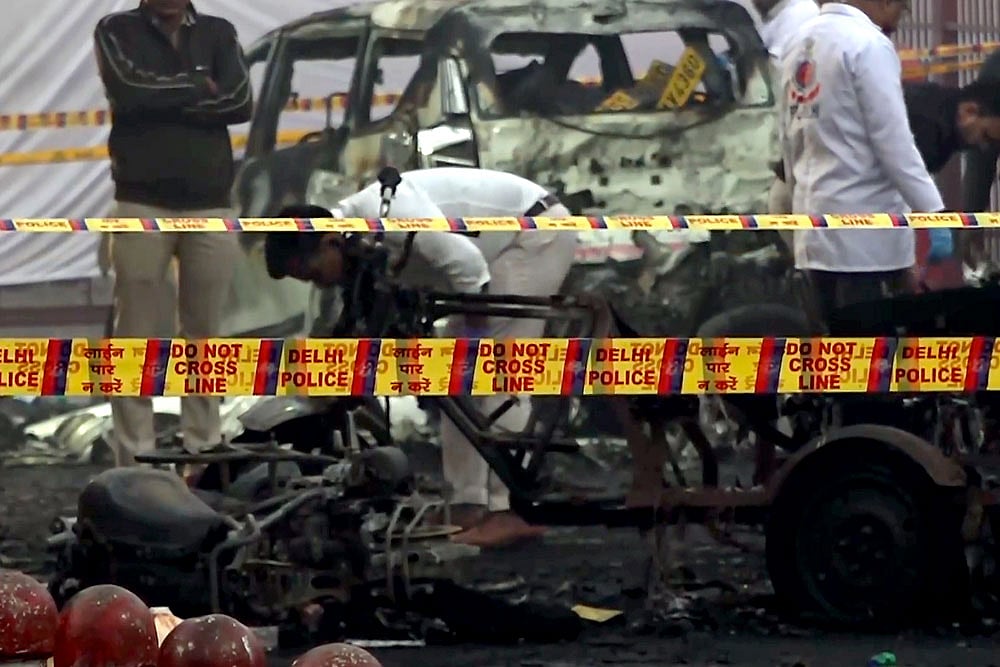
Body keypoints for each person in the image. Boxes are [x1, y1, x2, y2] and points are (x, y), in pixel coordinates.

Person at [265, 168, 578, 548]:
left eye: (313, 273)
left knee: (499, 373)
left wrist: (476, 341)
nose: (318, 283)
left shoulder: (391, 217)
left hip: (532, 233)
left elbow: (467, 265)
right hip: (494, 248)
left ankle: (510, 510)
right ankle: (467, 502)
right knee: (449, 376)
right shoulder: (353, 240)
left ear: (330, 242)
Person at [94, 0, 253, 465]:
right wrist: (196, 88)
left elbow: (240, 102)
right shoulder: (115, 29)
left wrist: (165, 98)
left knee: (206, 333)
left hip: (211, 201)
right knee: (135, 336)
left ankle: (203, 450)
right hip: (141, 200)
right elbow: (128, 91)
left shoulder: (218, 32)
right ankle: (133, 459)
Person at [778, 0, 947, 325]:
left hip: (814, 234)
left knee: (835, 354)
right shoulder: (867, 44)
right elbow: (894, 143)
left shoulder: (797, 45)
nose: (899, 19)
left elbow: (788, 138)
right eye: (903, 8)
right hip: (867, 243)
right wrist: (935, 213)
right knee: (872, 358)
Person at [754, 0, 820, 215]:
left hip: (804, 147)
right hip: (788, 150)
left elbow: (780, 86)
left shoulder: (799, 15)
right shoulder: (776, 17)